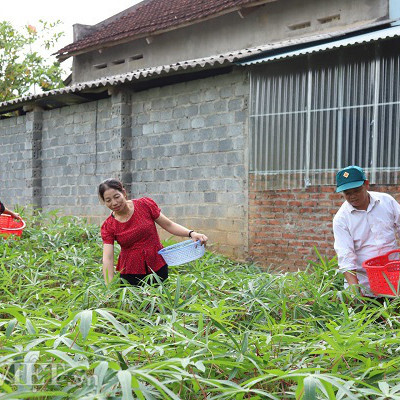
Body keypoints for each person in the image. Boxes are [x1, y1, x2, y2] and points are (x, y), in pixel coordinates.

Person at [98, 178, 208, 286]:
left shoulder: (144, 205)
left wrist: (191, 233)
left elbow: (169, 225)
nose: (114, 203)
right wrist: (109, 286)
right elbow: (108, 257)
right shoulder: (109, 226)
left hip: (157, 265)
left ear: (124, 193)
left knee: (159, 301)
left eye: (117, 197)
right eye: (108, 200)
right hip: (131, 272)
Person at [333, 165, 400, 297]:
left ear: (366, 184)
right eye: (347, 193)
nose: (352, 196)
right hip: (365, 286)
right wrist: (356, 292)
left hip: (394, 280)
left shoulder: (386, 202)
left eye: (356, 190)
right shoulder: (341, 219)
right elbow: (346, 256)